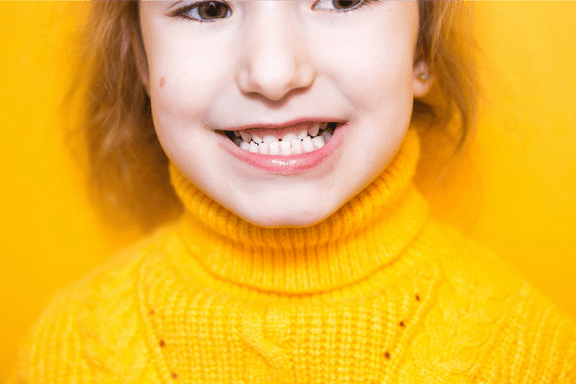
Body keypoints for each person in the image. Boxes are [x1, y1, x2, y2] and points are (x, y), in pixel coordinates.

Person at [13, 1, 575, 383]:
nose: (274, 71)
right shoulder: (72, 351)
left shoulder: (528, 352)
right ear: (141, 60)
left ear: (421, 49)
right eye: (208, 6)